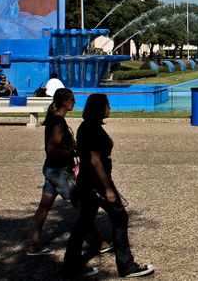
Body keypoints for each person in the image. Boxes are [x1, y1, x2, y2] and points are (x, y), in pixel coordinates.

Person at [64, 94, 155, 278]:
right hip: (97, 182)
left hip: (87, 181)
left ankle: (71, 265)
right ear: (99, 108)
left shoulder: (86, 127)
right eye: (107, 105)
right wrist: (107, 188)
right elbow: (95, 160)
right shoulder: (92, 129)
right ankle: (126, 265)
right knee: (120, 218)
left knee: (84, 223)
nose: (110, 109)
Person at [27, 88, 111, 257]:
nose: (74, 102)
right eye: (72, 100)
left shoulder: (55, 119)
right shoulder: (58, 122)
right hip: (60, 171)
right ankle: (101, 242)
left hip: (51, 169)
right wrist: (74, 153)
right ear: (64, 102)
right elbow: (51, 149)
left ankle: (34, 245)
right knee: (83, 207)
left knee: (44, 208)